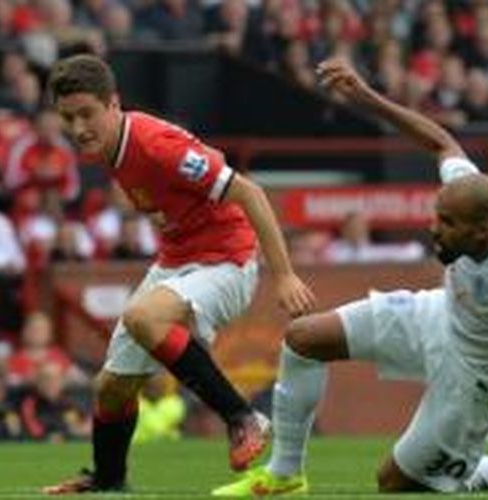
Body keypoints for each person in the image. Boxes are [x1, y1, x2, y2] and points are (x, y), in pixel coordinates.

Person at [213, 58, 488, 496]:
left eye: (448, 223)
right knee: (303, 338)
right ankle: (285, 475)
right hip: (439, 316)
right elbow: (442, 141)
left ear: (485, 230)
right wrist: (367, 97)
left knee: (394, 483)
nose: (434, 228)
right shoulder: (473, 194)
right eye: (437, 215)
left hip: (481, 379)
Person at [44, 54, 315, 494]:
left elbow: (250, 192)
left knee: (143, 317)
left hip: (228, 259)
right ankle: (109, 480)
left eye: (87, 114)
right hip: (177, 259)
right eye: (68, 117)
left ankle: (242, 416)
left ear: (113, 104)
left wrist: (284, 275)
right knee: (112, 387)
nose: (78, 128)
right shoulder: (111, 147)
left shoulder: (154, 145)